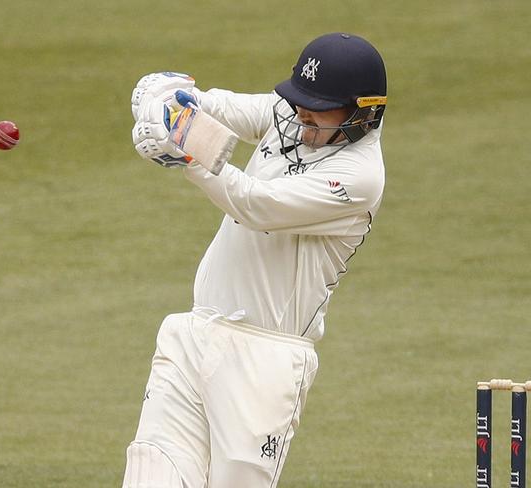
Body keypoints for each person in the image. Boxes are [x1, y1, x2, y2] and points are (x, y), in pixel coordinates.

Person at [124, 32, 387, 488]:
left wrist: (187, 143)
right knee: (151, 475)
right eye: (299, 101)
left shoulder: (360, 177)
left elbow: (256, 205)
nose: (300, 114)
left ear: (363, 112)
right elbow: (224, 108)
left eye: (318, 107)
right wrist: (173, 99)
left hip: (265, 358)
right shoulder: (295, 113)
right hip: (196, 331)